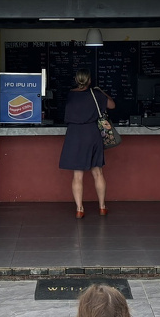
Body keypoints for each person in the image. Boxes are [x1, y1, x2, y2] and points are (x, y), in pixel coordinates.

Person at [59, 68, 115, 218]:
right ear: (89, 80)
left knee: (77, 175)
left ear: (76, 80)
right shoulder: (95, 94)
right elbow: (112, 105)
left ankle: (79, 209)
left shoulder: (71, 95)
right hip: (92, 133)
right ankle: (102, 207)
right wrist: (101, 92)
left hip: (74, 134)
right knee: (98, 172)